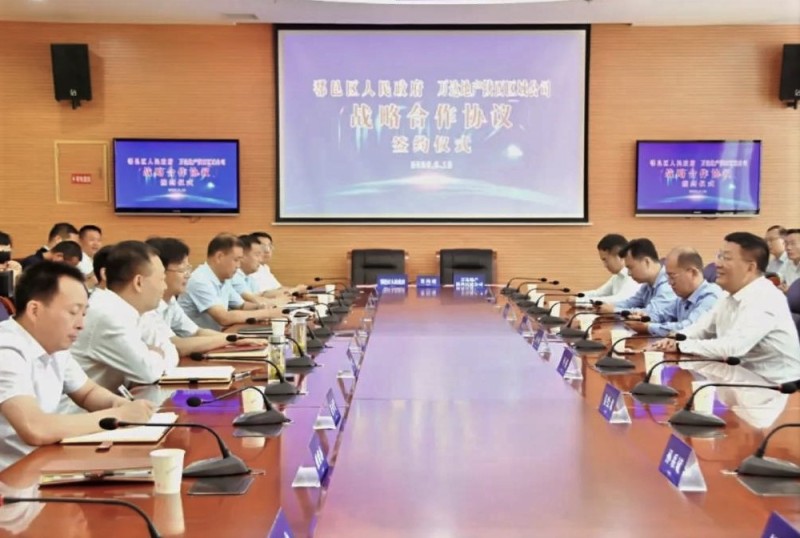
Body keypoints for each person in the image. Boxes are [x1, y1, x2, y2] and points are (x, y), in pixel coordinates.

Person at [0, 262, 155, 470]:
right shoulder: (6, 349)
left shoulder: (53, 344)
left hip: (44, 462)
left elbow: (87, 393)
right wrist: (119, 416)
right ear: (34, 310)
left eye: (83, 313)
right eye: (73, 312)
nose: (81, 324)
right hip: (11, 476)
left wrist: (120, 404)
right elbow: (34, 427)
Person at [651, 232, 800, 384]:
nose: (717, 263)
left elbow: (731, 348)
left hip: (776, 387)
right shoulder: (727, 295)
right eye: (719, 256)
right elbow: (701, 328)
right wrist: (674, 339)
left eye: (726, 258)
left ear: (750, 267)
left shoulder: (765, 297)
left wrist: (681, 346)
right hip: (740, 379)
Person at [70, 241, 178, 391]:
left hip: (115, 400)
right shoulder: (107, 314)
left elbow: (170, 350)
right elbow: (149, 373)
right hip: (84, 406)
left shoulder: (133, 310)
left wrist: (152, 354)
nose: (164, 287)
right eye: (161, 280)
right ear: (138, 282)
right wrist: (155, 354)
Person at [144, 237, 268, 356]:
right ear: (160, 272)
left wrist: (238, 338)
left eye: (188, 269)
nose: (188, 275)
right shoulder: (147, 307)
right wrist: (230, 340)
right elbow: (177, 345)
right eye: (182, 270)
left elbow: (196, 331)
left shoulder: (170, 300)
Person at [178, 233, 281, 330]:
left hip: (216, 335)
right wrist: (268, 313)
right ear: (219, 257)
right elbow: (224, 318)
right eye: (236, 260)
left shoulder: (223, 278)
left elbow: (241, 305)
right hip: (198, 340)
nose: (238, 266)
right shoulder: (200, 280)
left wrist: (261, 307)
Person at [625, 247, 723, 336]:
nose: (669, 282)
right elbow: (663, 314)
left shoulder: (711, 296)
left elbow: (689, 328)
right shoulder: (683, 297)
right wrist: (645, 317)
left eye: (672, 276)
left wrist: (648, 327)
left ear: (692, 273)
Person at [597, 238, 677, 320]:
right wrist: (608, 306)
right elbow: (631, 302)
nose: (629, 273)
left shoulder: (668, 283)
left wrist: (614, 310)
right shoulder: (647, 284)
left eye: (630, 268)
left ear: (646, 262)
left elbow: (651, 313)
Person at [579, 234, 639, 305]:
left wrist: (581, 301)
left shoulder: (633, 275)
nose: (604, 265)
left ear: (620, 256)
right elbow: (599, 293)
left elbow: (619, 300)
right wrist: (577, 296)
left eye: (605, 260)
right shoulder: (617, 276)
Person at [249, 231, 307, 297]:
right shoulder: (251, 269)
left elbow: (278, 288)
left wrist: (299, 289)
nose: (267, 251)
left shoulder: (264, 267)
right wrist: (294, 290)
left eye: (269, 246)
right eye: (263, 247)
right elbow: (264, 294)